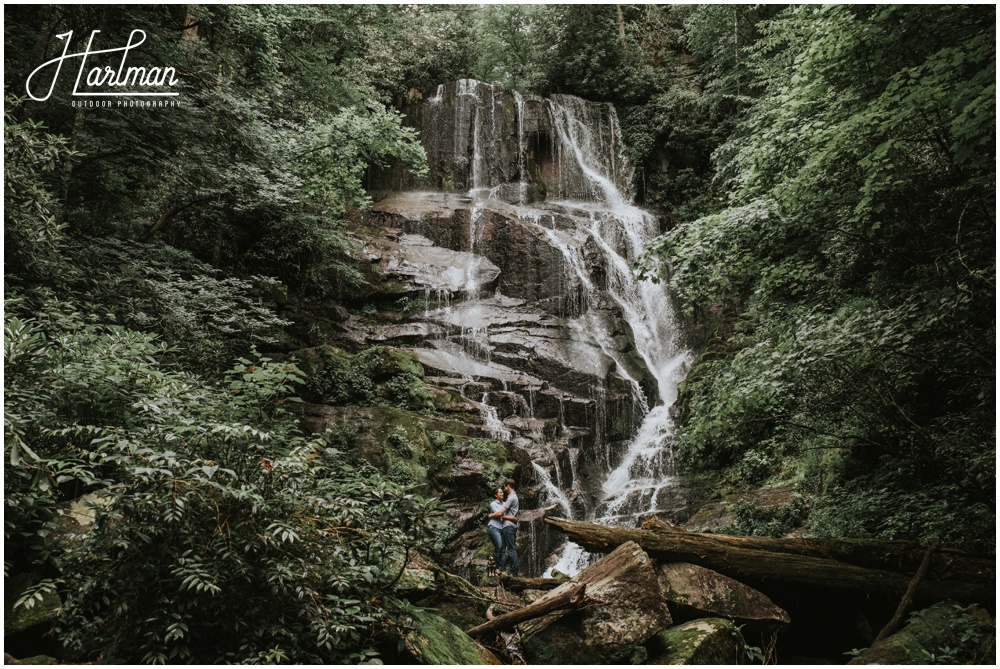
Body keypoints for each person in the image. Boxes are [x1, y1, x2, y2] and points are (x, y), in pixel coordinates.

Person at [500, 478, 519, 576]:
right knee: (506, 549)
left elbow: (501, 512)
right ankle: (504, 571)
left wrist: (491, 515)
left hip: (508, 526)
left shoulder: (511, 498)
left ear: (508, 486)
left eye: (504, 486)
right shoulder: (513, 497)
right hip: (508, 526)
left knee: (511, 549)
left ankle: (514, 573)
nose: (504, 489)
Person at [486, 487, 507, 576]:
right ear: (495, 495)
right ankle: (496, 567)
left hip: (502, 528)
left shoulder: (505, 503)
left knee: (503, 550)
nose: (502, 494)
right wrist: (495, 514)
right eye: (500, 493)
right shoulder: (493, 504)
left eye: (502, 492)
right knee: (499, 546)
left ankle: (503, 570)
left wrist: (491, 515)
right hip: (494, 527)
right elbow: (499, 514)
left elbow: (506, 514)